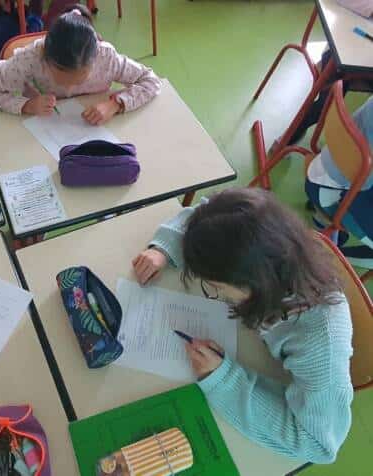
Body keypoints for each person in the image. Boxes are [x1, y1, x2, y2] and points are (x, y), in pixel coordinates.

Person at [132, 187, 353, 463]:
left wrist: (223, 379)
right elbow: (209, 212)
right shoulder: (268, 234)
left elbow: (318, 445)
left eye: (216, 287)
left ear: (253, 284)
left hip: (290, 381)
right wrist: (164, 248)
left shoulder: (320, 346)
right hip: (260, 348)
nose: (217, 294)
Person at [0, 4, 161, 125]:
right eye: (61, 80)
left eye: (79, 80)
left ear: (95, 57)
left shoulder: (105, 57)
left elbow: (151, 80)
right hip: (43, 131)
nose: (70, 88)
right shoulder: (29, 59)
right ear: (45, 58)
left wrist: (115, 105)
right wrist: (27, 105)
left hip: (93, 130)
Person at [305, 96, 373, 269]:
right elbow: (358, 199)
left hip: (324, 174)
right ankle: (333, 256)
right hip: (336, 196)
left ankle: (323, 224)